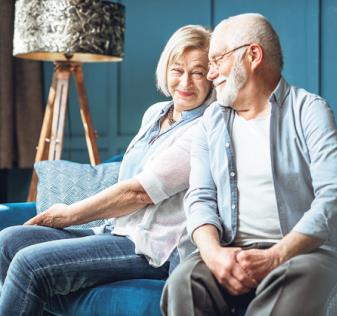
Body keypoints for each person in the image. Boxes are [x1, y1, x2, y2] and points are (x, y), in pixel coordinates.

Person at [0, 24, 213, 315]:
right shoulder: (156, 113)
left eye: (198, 72)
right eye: (178, 69)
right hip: (116, 231)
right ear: (165, 70)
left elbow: (139, 193)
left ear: (212, 76)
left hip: (152, 249)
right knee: (7, 241)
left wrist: (69, 214)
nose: (186, 81)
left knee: (28, 263)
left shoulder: (205, 129)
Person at [161, 13, 337, 316]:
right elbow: (200, 198)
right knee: (183, 283)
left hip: (304, 254)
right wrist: (214, 256)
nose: (211, 75)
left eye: (217, 60)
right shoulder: (210, 122)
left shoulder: (309, 111)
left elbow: (335, 196)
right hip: (229, 252)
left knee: (293, 283)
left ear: (252, 55)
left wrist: (277, 256)